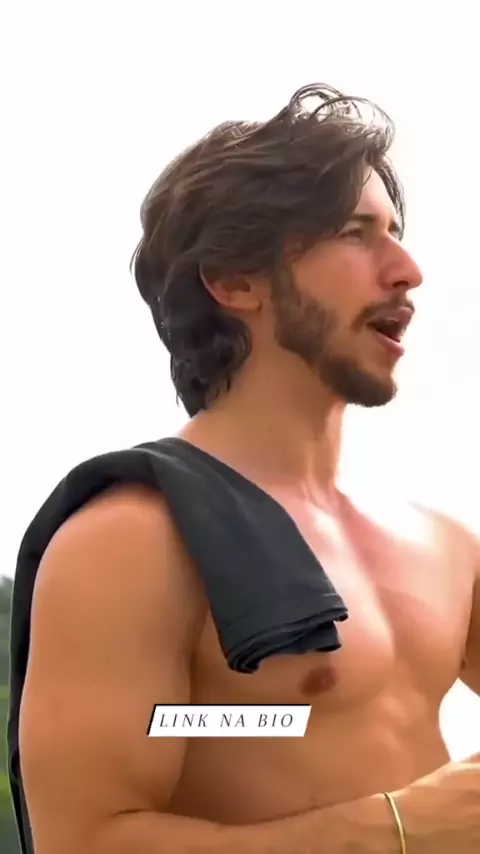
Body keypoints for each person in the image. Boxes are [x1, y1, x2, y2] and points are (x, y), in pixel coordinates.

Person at [9, 83, 480, 854]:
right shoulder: (130, 542)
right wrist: (402, 829)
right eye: (355, 233)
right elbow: (85, 842)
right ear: (234, 282)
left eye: (396, 233)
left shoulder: (445, 544)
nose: (408, 269)